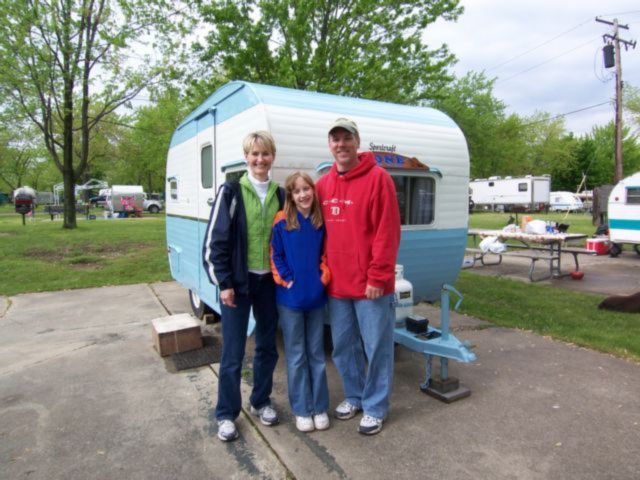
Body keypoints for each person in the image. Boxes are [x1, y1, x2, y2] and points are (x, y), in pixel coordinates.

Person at [316, 118, 401, 435]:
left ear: (357, 141)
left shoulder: (379, 179)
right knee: (343, 347)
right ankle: (355, 396)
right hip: (337, 286)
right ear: (330, 145)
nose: (341, 144)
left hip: (371, 288)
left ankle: (376, 407)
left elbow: (387, 232)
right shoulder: (323, 185)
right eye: (335, 139)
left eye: (346, 138)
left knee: (377, 348)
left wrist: (378, 277)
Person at [203, 131, 284, 442]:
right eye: (255, 154)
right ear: (246, 157)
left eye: (265, 154)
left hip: (269, 284)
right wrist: (223, 283)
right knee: (233, 352)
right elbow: (215, 243)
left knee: (267, 347)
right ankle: (226, 413)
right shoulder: (231, 192)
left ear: (272, 157)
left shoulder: (281, 194)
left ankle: (261, 401)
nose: (260, 159)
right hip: (238, 283)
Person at [270, 172, 331, 433]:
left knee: (316, 354)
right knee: (296, 356)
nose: (303, 195)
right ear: (290, 196)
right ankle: (302, 409)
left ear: (313, 191)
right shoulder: (282, 220)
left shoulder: (319, 221)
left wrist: (322, 278)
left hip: (315, 298)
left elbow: (326, 255)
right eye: (297, 191)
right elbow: (276, 255)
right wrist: (287, 280)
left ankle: (319, 406)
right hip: (290, 300)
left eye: (307, 189)